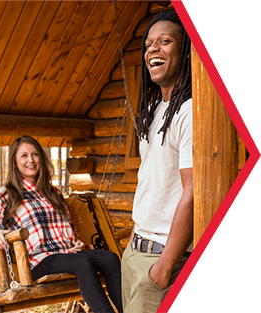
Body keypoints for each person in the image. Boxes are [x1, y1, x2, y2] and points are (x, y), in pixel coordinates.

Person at [0, 135, 123, 313]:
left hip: (67, 253)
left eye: (35, 154)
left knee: (110, 258)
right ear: (15, 162)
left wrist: (76, 242)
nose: (31, 160)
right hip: (38, 261)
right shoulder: (7, 193)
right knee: (81, 261)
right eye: (24, 156)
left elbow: (68, 227)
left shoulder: (52, 192)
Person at [121, 8, 193, 313]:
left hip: (163, 260)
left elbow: (193, 193)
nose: (153, 48)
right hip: (136, 253)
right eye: (149, 43)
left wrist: (163, 269)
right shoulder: (154, 109)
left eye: (165, 41)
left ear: (185, 51)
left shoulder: (188, 112)